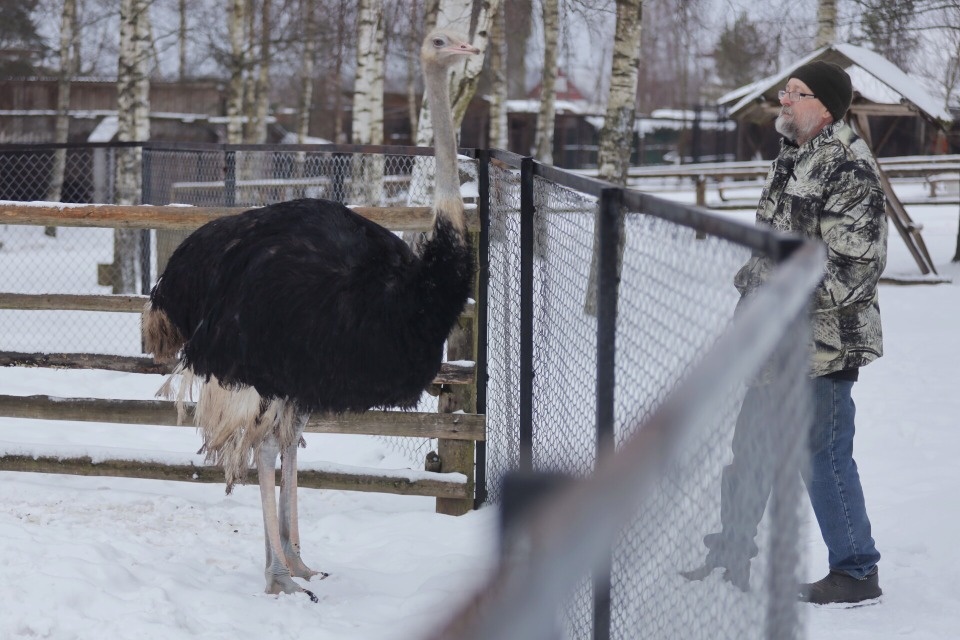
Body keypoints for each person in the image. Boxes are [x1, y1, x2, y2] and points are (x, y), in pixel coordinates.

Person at [682, 61, 887, 606]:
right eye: (784, 91)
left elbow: (852, 271)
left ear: (824, 106)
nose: (783, 100)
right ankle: (733, 545)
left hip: (823, 342)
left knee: (821, 453)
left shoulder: (848, 167)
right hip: (772, 337)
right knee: (750, 445)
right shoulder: (793, 156)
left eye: (795, 93)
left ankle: (856, 570)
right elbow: (773, 245)